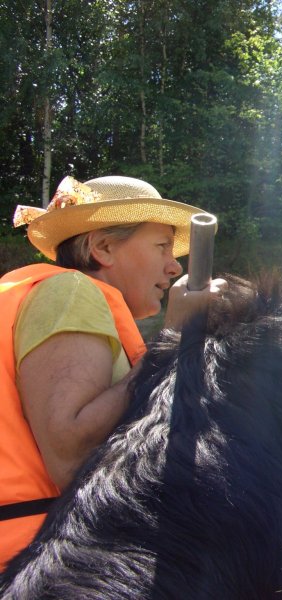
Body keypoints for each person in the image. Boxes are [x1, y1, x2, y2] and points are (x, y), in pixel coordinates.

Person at [0, 175, 226, 568]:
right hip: (35, 564)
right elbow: (70, 455)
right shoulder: (70, 291)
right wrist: (173, 338)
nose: (174, 266)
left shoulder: (44, 293)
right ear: (103, 247)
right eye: (162, 247)